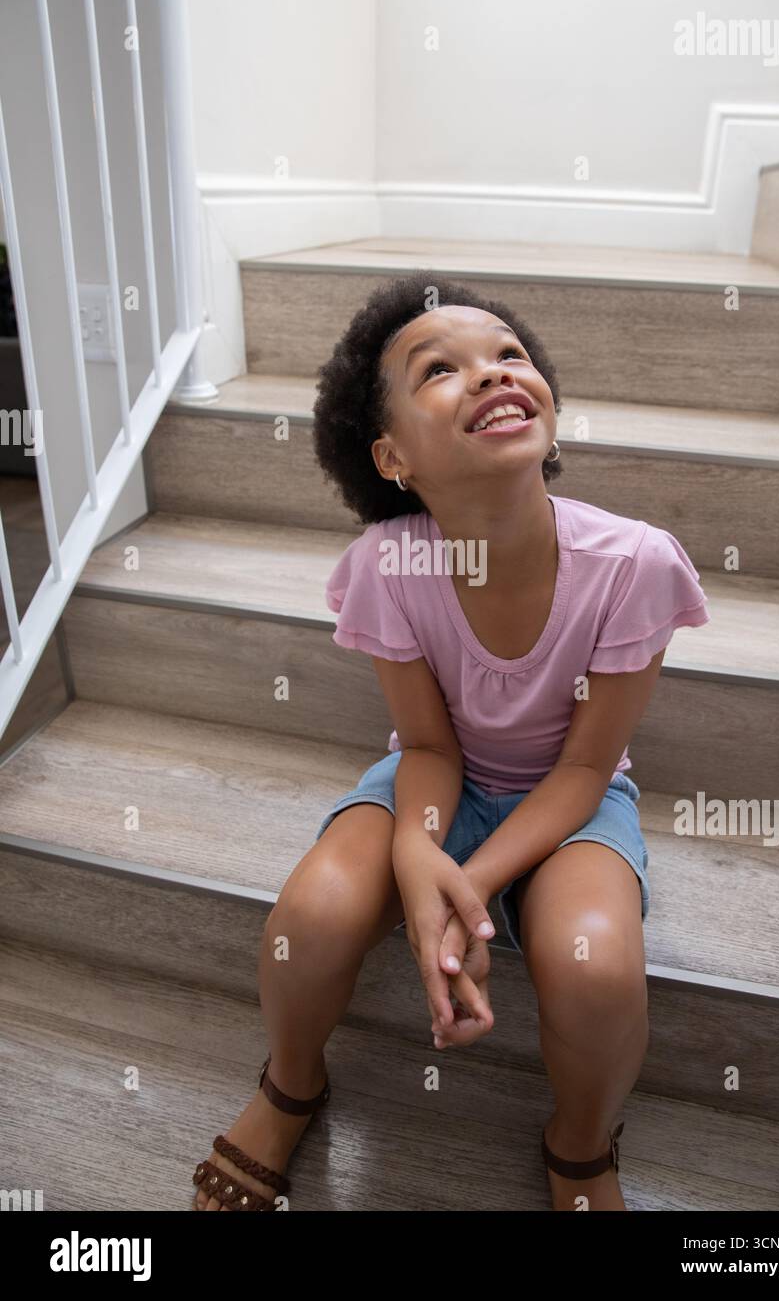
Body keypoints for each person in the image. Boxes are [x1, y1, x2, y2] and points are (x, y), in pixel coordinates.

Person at [192, 269, 710, 1211]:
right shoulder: (389, 566)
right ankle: (291, 1084)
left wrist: (465, 889)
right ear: (392, 456)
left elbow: (589, 765)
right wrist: (417, 847)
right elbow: (428, 749)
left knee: (594, 967)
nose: (490, 374)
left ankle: (581, 1147)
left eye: (509, 355)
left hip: (573, 795)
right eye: (441, 369)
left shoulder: (633, 563)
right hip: (436, 778)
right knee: (306, 923)